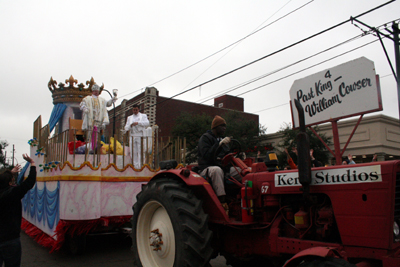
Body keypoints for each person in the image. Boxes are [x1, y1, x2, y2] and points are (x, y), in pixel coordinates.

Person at [0, 154, 36, 267]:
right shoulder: (12, 194)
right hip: (11, 240)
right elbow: (29, 182)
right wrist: (33, 164)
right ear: (10, 183)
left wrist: (11, 173)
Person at [198, 115, 232, 212]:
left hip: (224, 168)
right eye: (222, 126)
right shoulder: (205, 138)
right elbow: (206, 156)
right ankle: (222, 202)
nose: (224, 128)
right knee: (217, 171)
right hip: (207, 168)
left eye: (225, 126)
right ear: (215, 127)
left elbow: (227, 155)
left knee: (240, 172)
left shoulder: (223, 140)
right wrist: (219, 145)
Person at [80, 84, 117, 149]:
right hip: (90, 120)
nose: (96, 92)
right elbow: (82, 105)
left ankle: (95, 148)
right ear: (92, 91)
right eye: (95, 91)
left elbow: (108, 103)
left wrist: (113, 99)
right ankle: (89, 148)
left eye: (97, 91)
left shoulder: (102, 100)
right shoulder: (87, 98)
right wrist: (85, 108)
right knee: (89, 136)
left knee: (97, 136)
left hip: (98, 120)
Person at [124, 105, 150, 169]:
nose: (135, 111)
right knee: (133, 151)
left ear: (138, 109)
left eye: (136, 110)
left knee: (140, 151)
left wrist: (138, 123)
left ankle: (140, 166)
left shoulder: (143, 116)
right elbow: (126, 127)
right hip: (132, 135)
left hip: (140, 134)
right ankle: (135, 166)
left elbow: (147, 123)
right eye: (133, 110)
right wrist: (131, 125)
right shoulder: (129, 118)